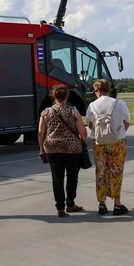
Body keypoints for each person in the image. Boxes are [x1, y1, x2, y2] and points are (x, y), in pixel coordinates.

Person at [38, 85, 89, 217]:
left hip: (53, 148)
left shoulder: (46, 112)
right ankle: (70, 203)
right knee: (72, 177)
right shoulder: (73, 111)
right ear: (67, 96)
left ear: (53, 96)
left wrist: (41, 148)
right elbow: (82, 131)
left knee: (57, 178)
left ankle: (60, 207)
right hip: (72, 148)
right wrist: (82, 142)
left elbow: (40, 132)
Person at [86, 79, 131, 216]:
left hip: (99, 143)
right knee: (116, 171)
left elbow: (90, 125)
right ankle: (117, 203)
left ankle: (102, 202)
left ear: (97, 90)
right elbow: (127, 122)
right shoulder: (119, 103)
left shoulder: (92, 105)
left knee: (101, 172)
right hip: (117, 141)